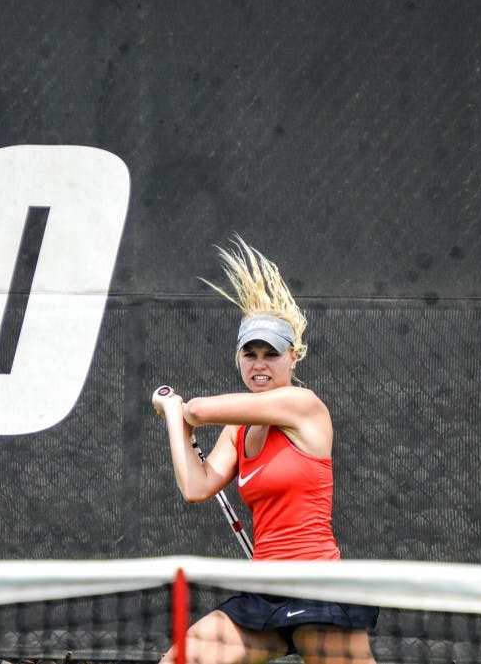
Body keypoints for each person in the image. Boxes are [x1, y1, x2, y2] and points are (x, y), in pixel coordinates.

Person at [152, 238, 378, 664]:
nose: (259, 364)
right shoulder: (237, 432)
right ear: (238, 358)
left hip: (319, 588)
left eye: (271, 354)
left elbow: (198, 410)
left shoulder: (303, 405)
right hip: (263, 595)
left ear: (293, 358)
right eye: (249, 353)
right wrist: (171, 420)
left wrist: (177, 408)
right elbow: (196, 486)